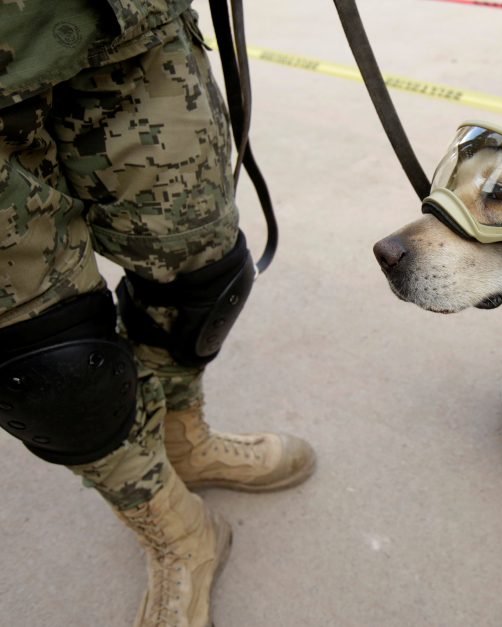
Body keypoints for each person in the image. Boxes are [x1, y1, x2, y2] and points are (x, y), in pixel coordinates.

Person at [0, 2, 315, 625]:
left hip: (123, 23)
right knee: (48, 372)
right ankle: (177, 530)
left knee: (196, 277)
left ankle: (184, 441)